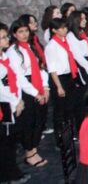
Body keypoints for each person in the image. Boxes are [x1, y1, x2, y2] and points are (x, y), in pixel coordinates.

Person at [7, 20, 49, 168]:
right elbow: (19, 76)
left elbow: (40, 67)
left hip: (37, 84)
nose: (24, 34)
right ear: (14, 34)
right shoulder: (13, 51)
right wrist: (35, 93)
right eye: (20, 32)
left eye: (26, 31)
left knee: (39, 119)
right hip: (26, 88)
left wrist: (45, 86)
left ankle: (34, 148)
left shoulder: (31, 47)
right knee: (28, 122)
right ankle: (29, 153)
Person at [0, 21, 31, 183]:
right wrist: (15, 102)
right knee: (6, 142)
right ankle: (8, 174)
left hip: (13, 101)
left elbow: (14, 80)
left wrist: (19, 99)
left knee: (11, 140)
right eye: (3, 37)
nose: (6, 40)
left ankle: (12, 171)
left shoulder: (4, 57)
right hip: (5, 105)